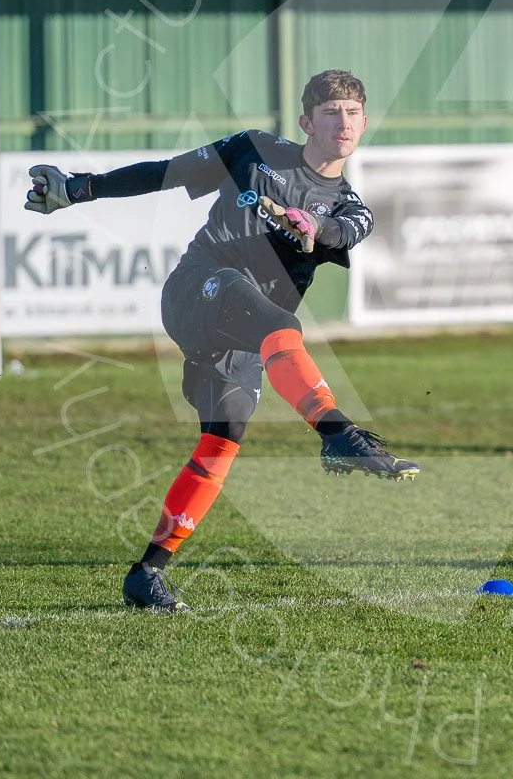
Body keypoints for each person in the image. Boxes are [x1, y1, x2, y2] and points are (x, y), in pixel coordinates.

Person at [23, 69, 419, 613]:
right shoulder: (252, 149)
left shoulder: (353, 207)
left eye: (352, 113)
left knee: (223, 438)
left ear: (365, 123)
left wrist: (310, 226)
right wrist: (77, 188)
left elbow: (337, 232)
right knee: (284, 328)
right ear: (306, 123)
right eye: (330, 112)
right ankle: (338, 433)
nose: (342, 123)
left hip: (242, 338)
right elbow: (166, 173)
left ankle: (147, 573)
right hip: (198, 287)